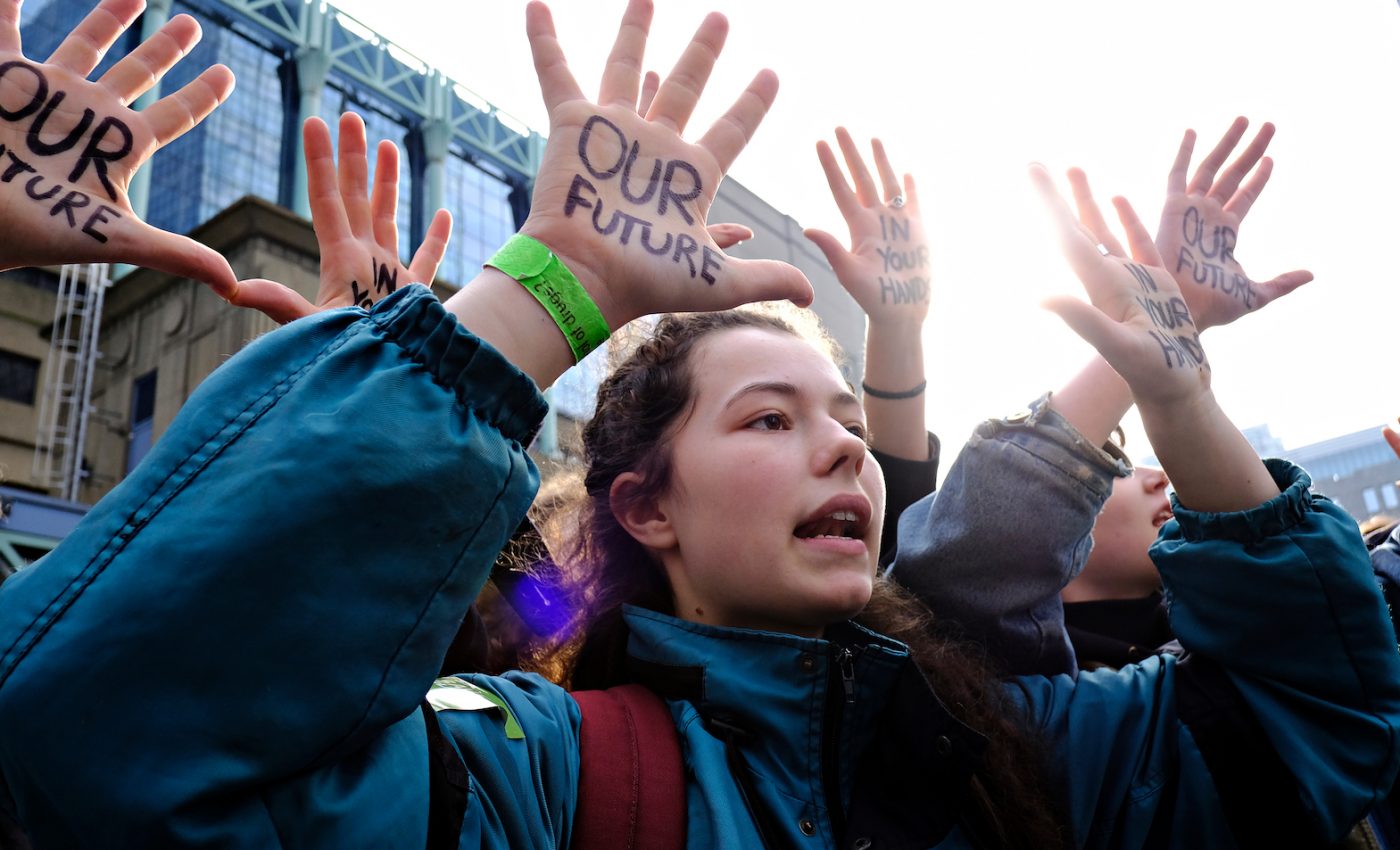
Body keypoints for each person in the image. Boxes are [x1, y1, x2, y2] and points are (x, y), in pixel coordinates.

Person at [3, 4, 1399, 850]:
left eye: (844, 421)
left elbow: (1304, 717)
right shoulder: (549, 762)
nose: (850, 449)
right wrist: (526, 303)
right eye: (773, 418)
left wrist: (1173, 387)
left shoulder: (1002, 741)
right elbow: (132, 750)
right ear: (640, 504)